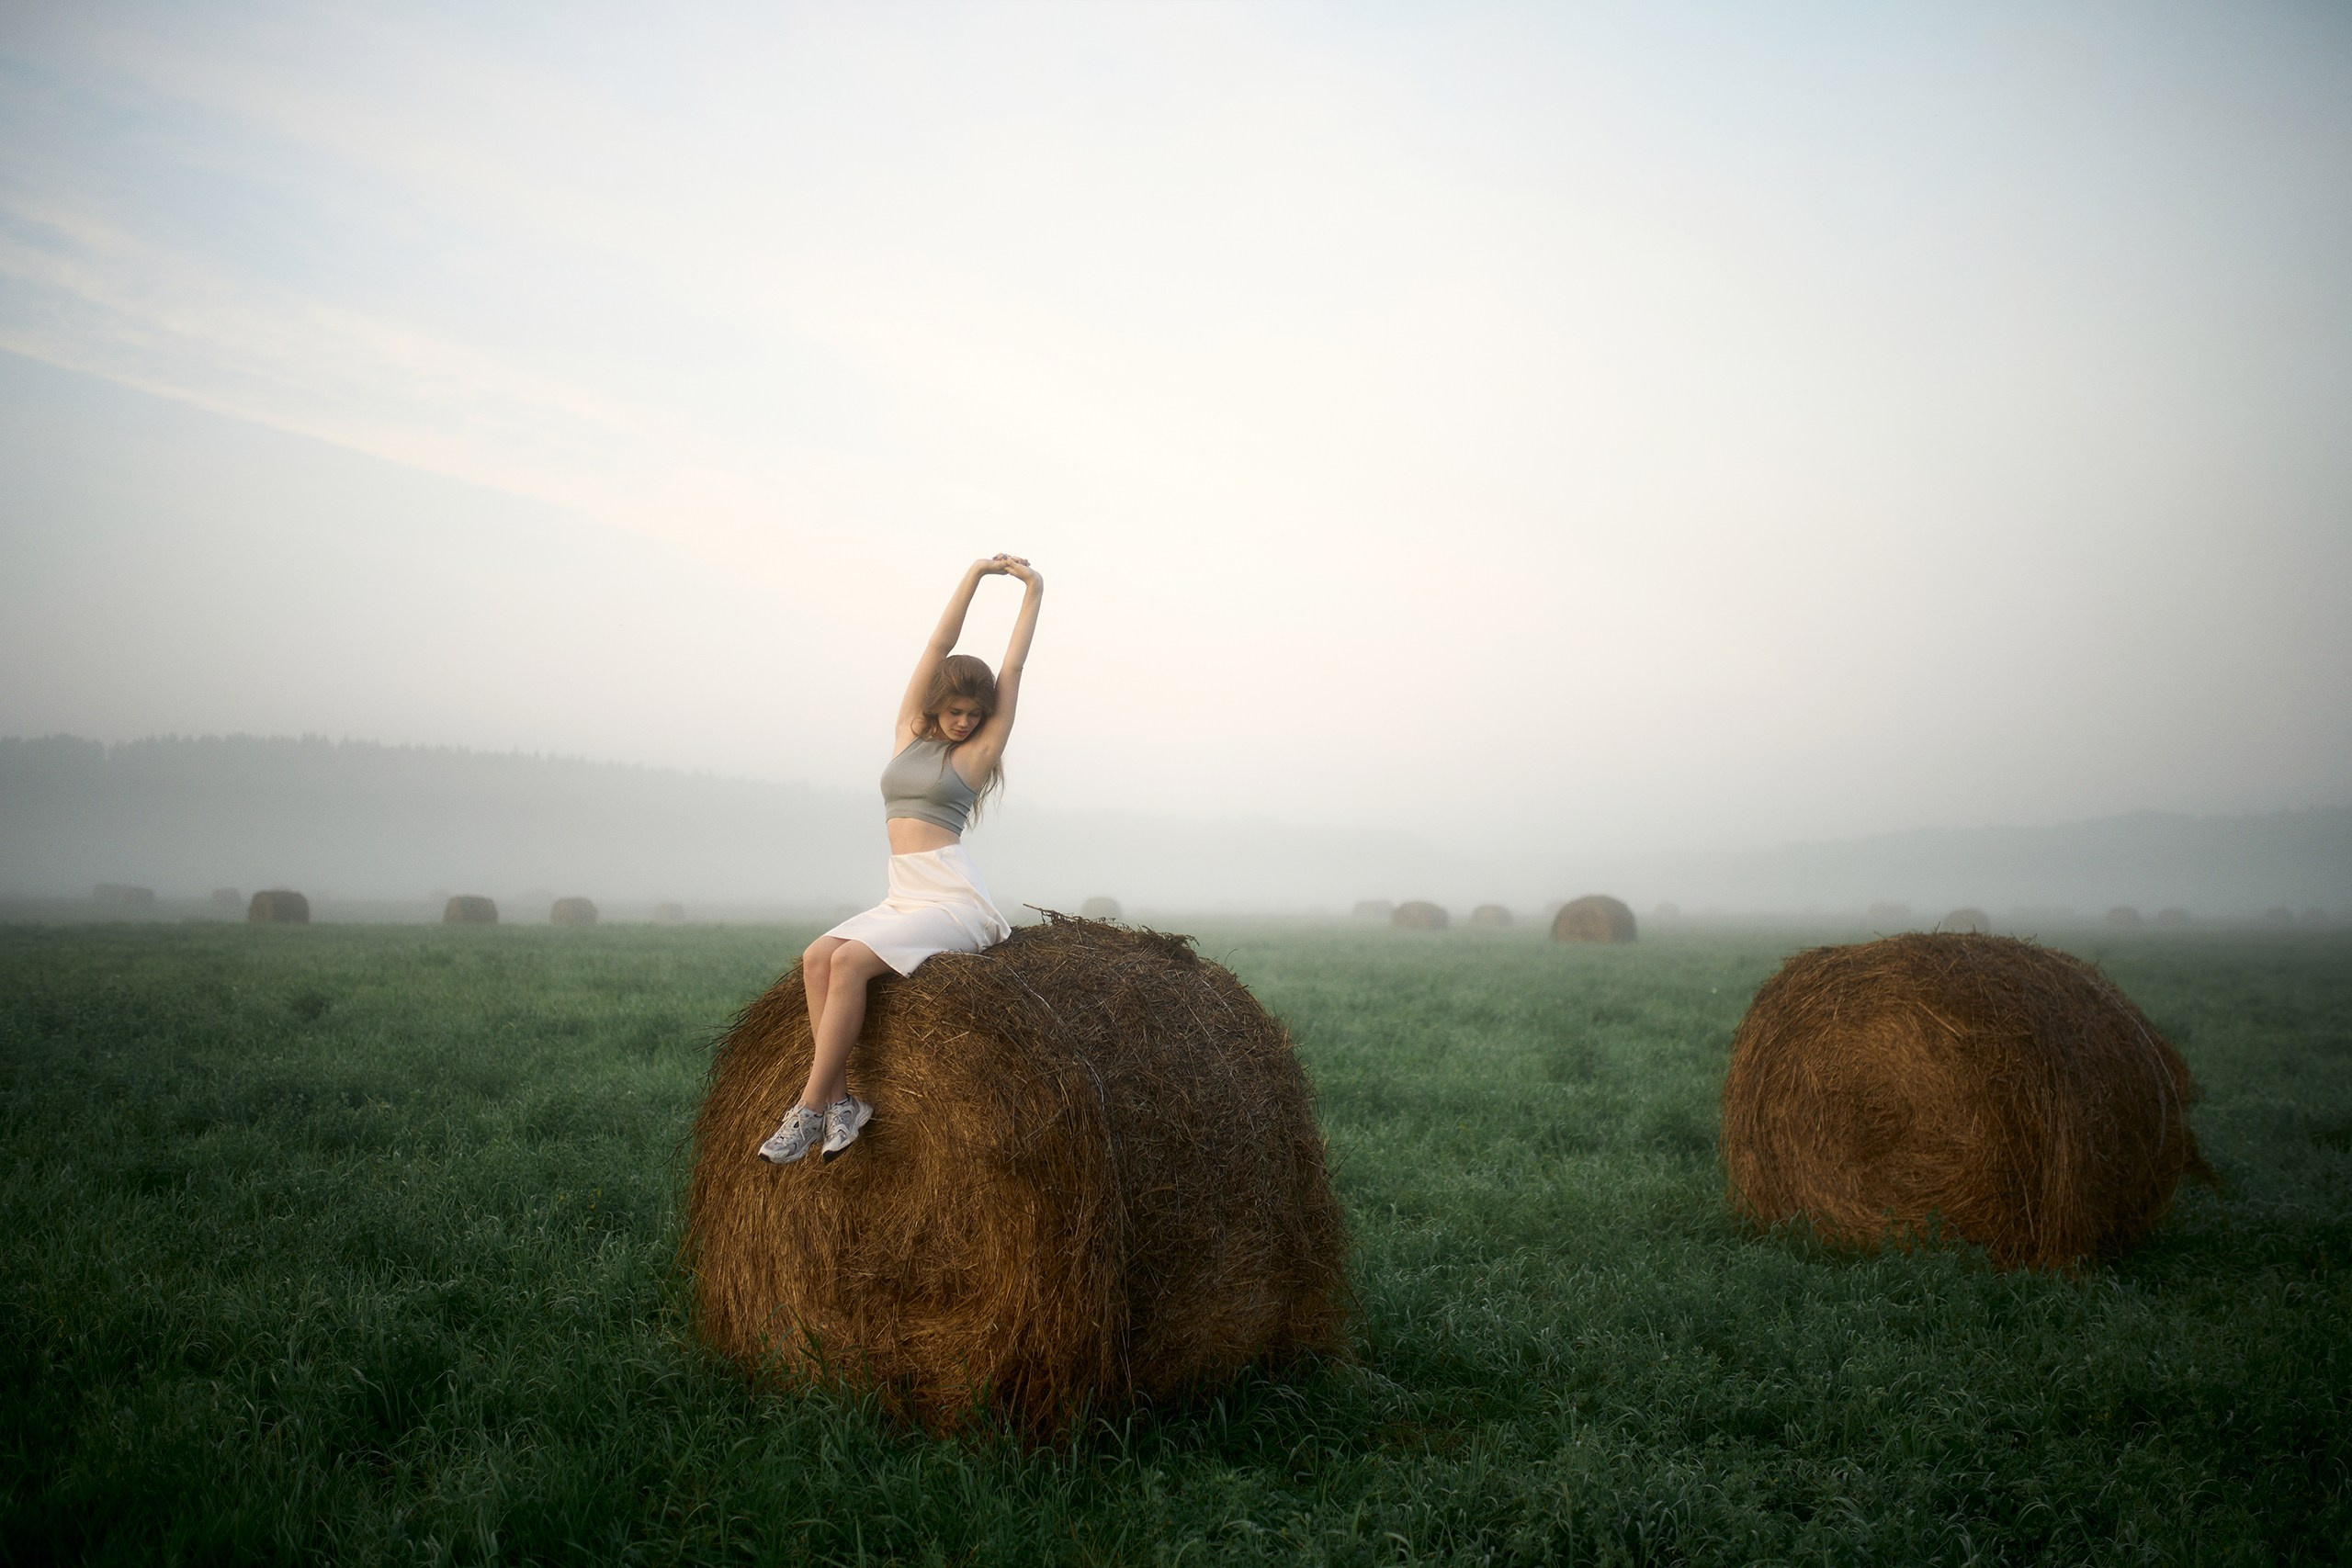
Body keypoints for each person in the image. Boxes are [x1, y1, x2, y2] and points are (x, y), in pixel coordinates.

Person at [758, 554, 1045, 1165]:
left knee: (854, 961)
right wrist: (974, 576)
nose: (966, 722)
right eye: (957, 711)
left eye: (975, 714)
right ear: (938, 704)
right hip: (903, 893)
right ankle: (843, 1104)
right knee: (818, 957)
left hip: (950, 896)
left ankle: (808, 1107)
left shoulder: (978, 755)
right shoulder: (909, 733)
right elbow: (941, 641)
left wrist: (1032, 590)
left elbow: (1013, 666)